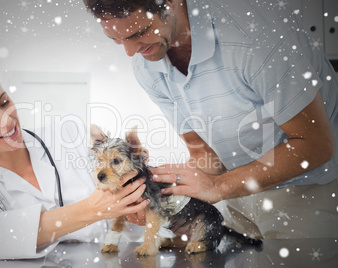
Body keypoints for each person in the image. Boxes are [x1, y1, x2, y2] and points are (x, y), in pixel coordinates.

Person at [83, 0, 338, 238]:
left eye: (139, 32)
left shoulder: (257, 36)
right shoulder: (147, 64)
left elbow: (316, 145)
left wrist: (218, 187)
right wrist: (160, 197)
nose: (130, 51)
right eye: (116, 40)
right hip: (238, 192)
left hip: (309, 189)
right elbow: (206, 156)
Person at [0, 64, 149, 259]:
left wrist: (138, 190)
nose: (7, 120)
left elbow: (128, 211)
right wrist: (91, 209)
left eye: (4, 102)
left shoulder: (69, 134)